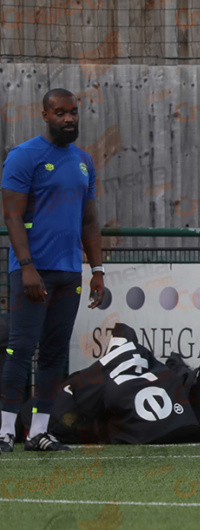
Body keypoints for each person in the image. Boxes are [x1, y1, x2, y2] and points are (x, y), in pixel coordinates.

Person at [0, 88, 105, 453]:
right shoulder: (23, 156)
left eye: (73, 112)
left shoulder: (83, 162)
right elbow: (12, 215)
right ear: (44, 114)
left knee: (54, 353)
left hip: (68, 273)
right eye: (60, 113)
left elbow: (89, 222)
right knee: (20, 348)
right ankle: (4, 431)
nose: (69, 119)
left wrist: (98, 271)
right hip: (33, 271)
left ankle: (38, 432)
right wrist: (27, 267)